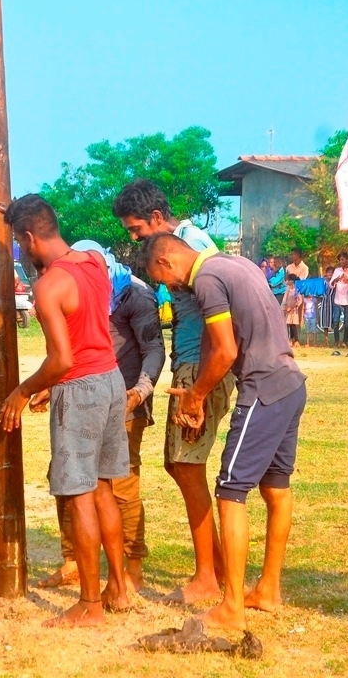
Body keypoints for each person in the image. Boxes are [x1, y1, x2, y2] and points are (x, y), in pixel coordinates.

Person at [140, 233, 307, 630]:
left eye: (162, 280)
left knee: (230, 492)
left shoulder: (207, 278)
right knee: (276, 488)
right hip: (291, 383)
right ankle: (267, 590)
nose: (168, 287)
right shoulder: (239, 263)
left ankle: (231, 606)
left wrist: (196, 396)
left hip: (263, 388)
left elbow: (225, 350)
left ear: (166, 261)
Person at [0, 195, 130, 627]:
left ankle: (90, 603)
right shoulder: (93, 261)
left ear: (29, 237)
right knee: (105, 489)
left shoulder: (48, 286)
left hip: (80, 389)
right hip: (111, 379)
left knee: (78, 496)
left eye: (19, 240)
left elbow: (61, 360)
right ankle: (119, 588)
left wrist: (23, 390)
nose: (20, 249)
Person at [112, 178, 235, 604]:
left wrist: (199, 384)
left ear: (158, 219)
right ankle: (214, 567)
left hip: (198, 366)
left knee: (185, 464)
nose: (135, 239)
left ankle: (208, 576)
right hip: (194, 363)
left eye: (136, 229)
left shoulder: (191, 246)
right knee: (182, 464)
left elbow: (218, 312)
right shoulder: (191, 243)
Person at [39, 240, 166, 592]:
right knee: (67, 481)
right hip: (81, 398)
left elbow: (155, 349)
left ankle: (132, 568)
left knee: (120, 488)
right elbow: (74, 349)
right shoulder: (84, 284)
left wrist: (139, 392)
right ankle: (73, 562)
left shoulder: (135, 296)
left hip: (122, 401)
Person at [330, 253, 348, 348]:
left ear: (347, 260)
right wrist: (338, 278)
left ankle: (344, 341)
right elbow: (331, 284)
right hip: (337, 299)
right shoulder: (337, 270)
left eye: (343, 259)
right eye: (340, 260)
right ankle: (336, 341)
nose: (342, 261)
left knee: (347, 322)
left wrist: (347, 277)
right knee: (335, 321)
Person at [282, 277, 304, 347]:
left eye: (289, 280)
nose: (287, 282)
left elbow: (299, 301)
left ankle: (296, 340)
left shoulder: (297, 290)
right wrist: (284, 308)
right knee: (289, 324)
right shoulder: (288, 290)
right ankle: (291, 340)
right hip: (288, 309)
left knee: (293, 325)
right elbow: (284, 300)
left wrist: (292, 307)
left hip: (294, 310)